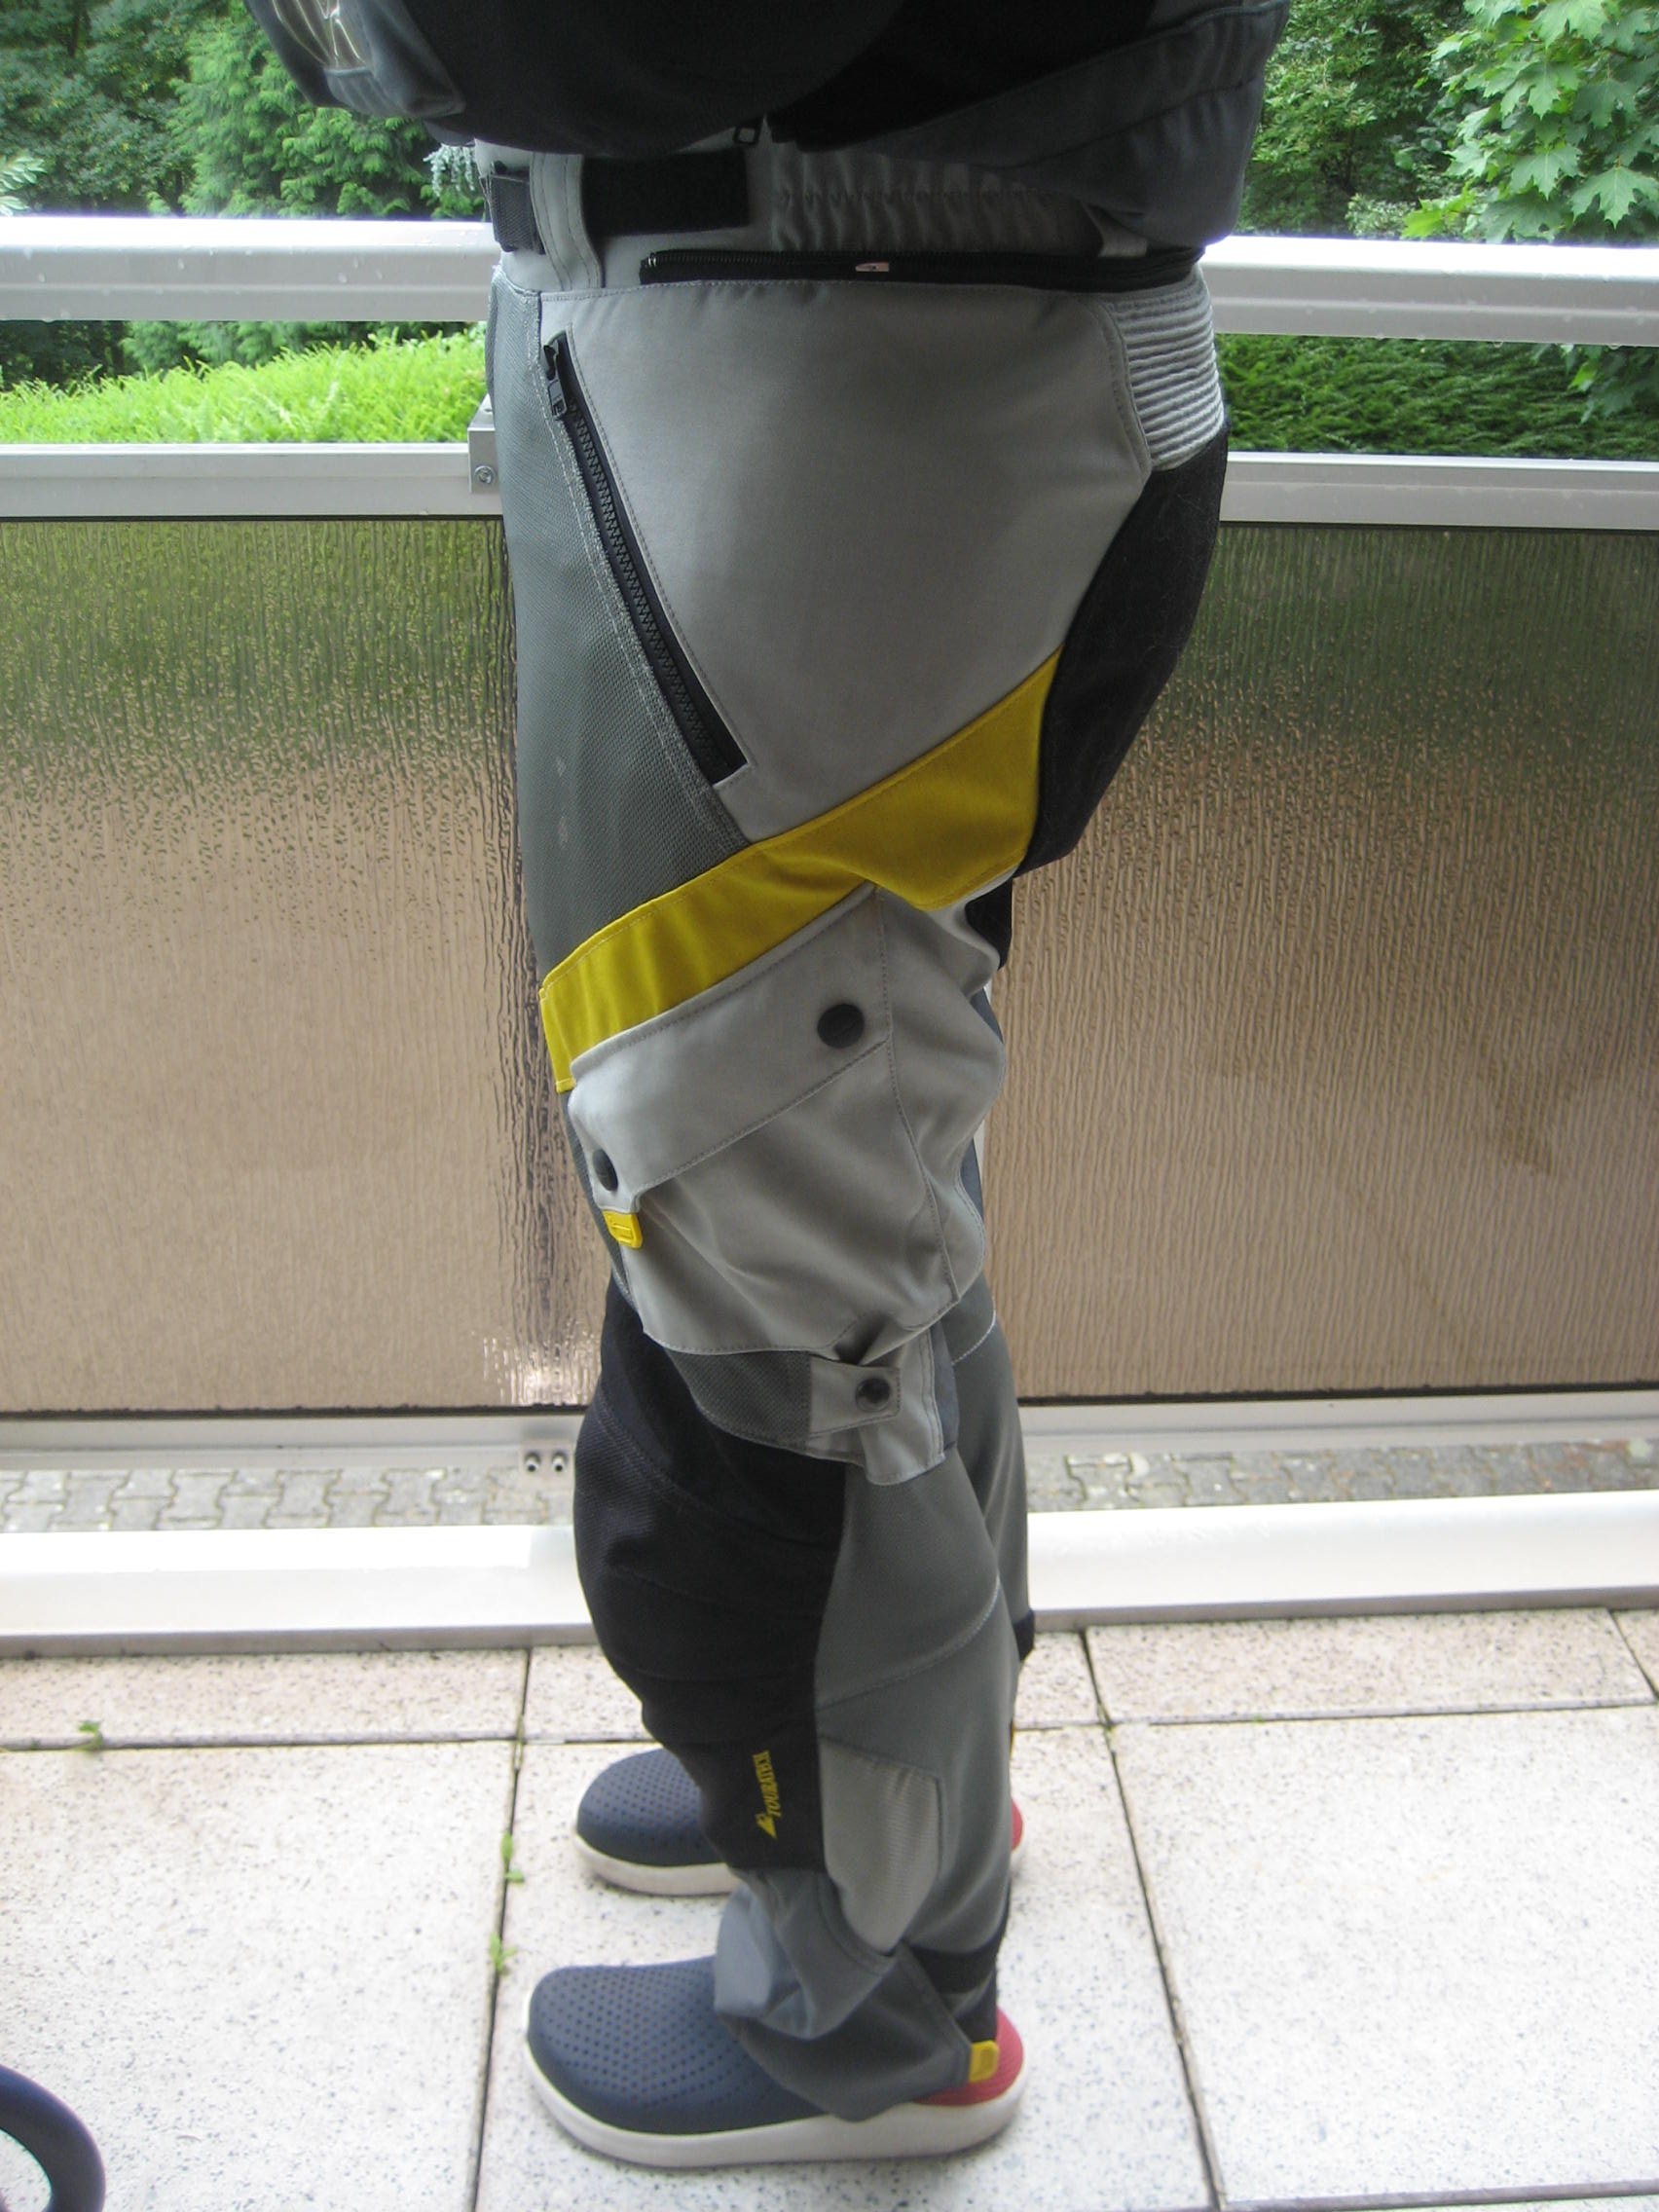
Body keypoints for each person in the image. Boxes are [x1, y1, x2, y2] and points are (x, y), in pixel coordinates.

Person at [248, 0, 1288, 2168]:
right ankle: (894, 1788)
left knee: (761, 1215)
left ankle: (874, 2000)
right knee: (835, 1167)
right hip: (876, 354)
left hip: (844, 377)